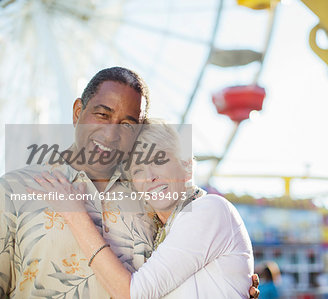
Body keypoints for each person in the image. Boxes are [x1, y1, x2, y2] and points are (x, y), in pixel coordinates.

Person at [0, 67, 260, 298]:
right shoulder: (14, 191)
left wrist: (230, 282)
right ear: (78, 112)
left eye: (127, 125)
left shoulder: (150, 199)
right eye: (102, 115)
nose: (111, 133)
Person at [31, 120, 254, 298]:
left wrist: (74, 214)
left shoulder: (208, 210)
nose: (150, 177)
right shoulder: (162, 234)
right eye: (137, 170)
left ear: (186, 164)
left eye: (159, 160)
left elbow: (132, 293)